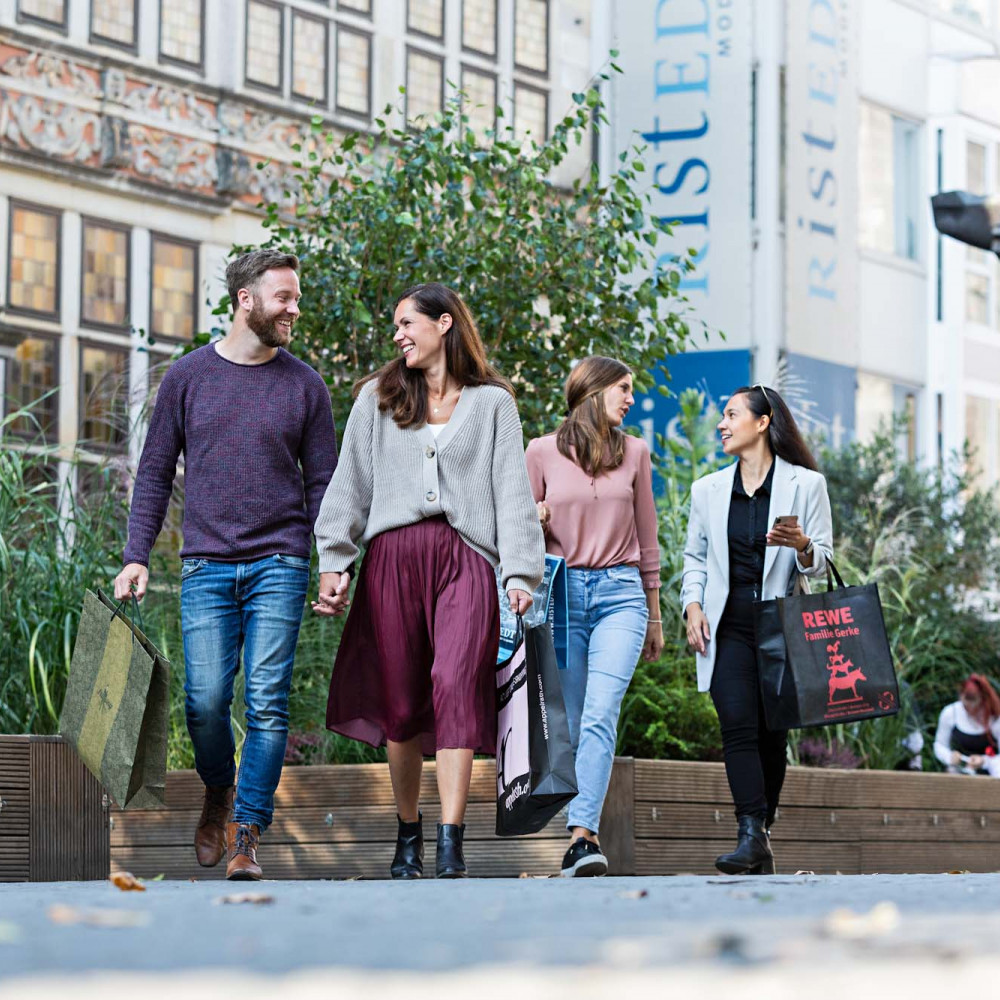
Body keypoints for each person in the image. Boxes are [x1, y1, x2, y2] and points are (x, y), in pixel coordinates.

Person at [114, 249, 338, 880]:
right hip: (207, 565)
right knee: (206, 702)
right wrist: (136, 556)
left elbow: (323, 482)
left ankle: (247, 832)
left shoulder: (306, 385)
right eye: (285, 298)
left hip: (280, 561)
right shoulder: (187, 378)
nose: (295, 308)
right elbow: (154, 474)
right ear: (246, 299)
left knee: (267, 702)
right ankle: (218, 786)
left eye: (296, 297)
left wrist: (331, 560)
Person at [311, 282, 545, 880]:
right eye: (394, 326)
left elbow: (512, 495)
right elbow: (350, 483)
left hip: (466, 557)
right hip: (392, 557)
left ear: (444, 324)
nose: (397, 336)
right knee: (402, 696)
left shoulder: (494, 404)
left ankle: (450, 838)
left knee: (456, 679)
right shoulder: (378, 397)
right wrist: (334, 560)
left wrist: (520, 572)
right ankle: (408, 832)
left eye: (406, 323)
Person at [680, 384, 833, 875]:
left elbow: (822, 567)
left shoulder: (806, 485)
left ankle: (760, 836)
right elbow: (695, 557)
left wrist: (804, 545)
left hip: (781, 627)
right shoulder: (706, 490)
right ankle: (749, 831)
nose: (722, 424)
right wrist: (693, 604)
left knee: (772, 737)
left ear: (762, 422)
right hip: (727, 627)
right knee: (737, 724)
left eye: (731, 415)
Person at [525, 356, 663, 877]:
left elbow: (647, 538)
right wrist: (531, 518)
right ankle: (578, 836)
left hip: (620, 594)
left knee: (602, 714)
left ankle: (583, 836)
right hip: (561, 596)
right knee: (576, 722)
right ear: (594, 390)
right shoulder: (539, 452)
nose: (631, 399)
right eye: (624, 389)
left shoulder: (635, 453)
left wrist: (653, 614)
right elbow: (514, 537)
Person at [933, 675, 1000, 775]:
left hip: (989, 774)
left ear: (983, 699)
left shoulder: (995, 718)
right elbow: (939, 745)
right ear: (961, 696)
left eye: (974, 705)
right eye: (966, 705)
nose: (970, 709)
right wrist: (949, 757)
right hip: (957, 772)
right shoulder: (951, 713)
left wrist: (984, 761)